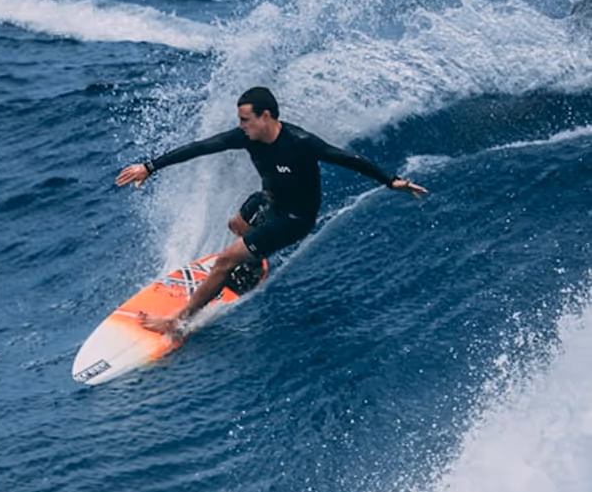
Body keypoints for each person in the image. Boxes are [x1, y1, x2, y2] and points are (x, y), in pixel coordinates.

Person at [115, 87, 428, 335]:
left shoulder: (300, 142)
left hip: (295, 219)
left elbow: (348, 158)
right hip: (270, 200)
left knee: (224, 261)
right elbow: (201, 147)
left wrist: (391, 181)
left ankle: (177, 322)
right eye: (240, 121)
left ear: (266, 116)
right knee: (236, 223)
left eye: (245, 120)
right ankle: (252, 261)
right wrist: (149, 166)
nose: (241, 127)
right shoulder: (247, 137)